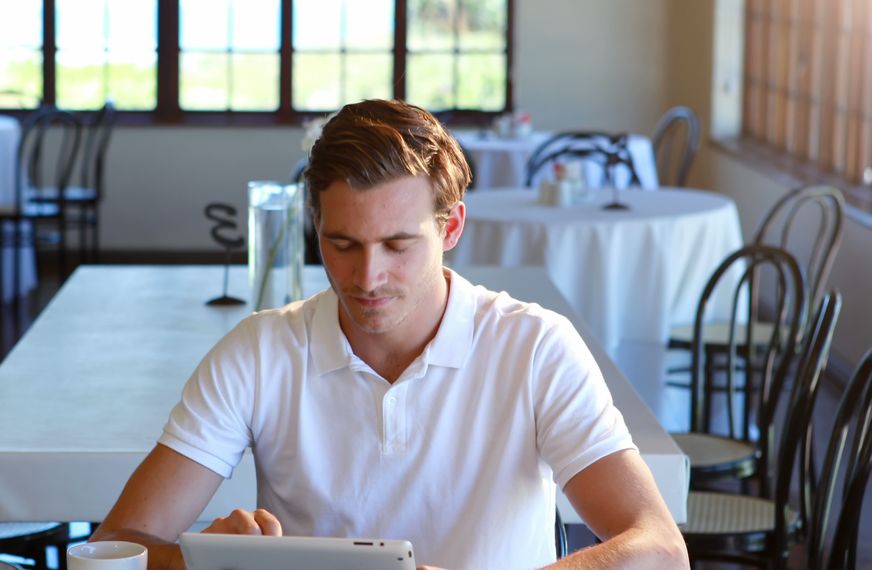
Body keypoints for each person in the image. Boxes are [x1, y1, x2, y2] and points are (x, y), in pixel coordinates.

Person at [92, 99, 688, 569]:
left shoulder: (534, 348)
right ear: (316, 226)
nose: (367, 277)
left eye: (398, 245)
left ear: (451, 226)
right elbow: (114, 544)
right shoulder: (260, 351)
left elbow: (660, 549)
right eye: (342, 244)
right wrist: (204, 563)